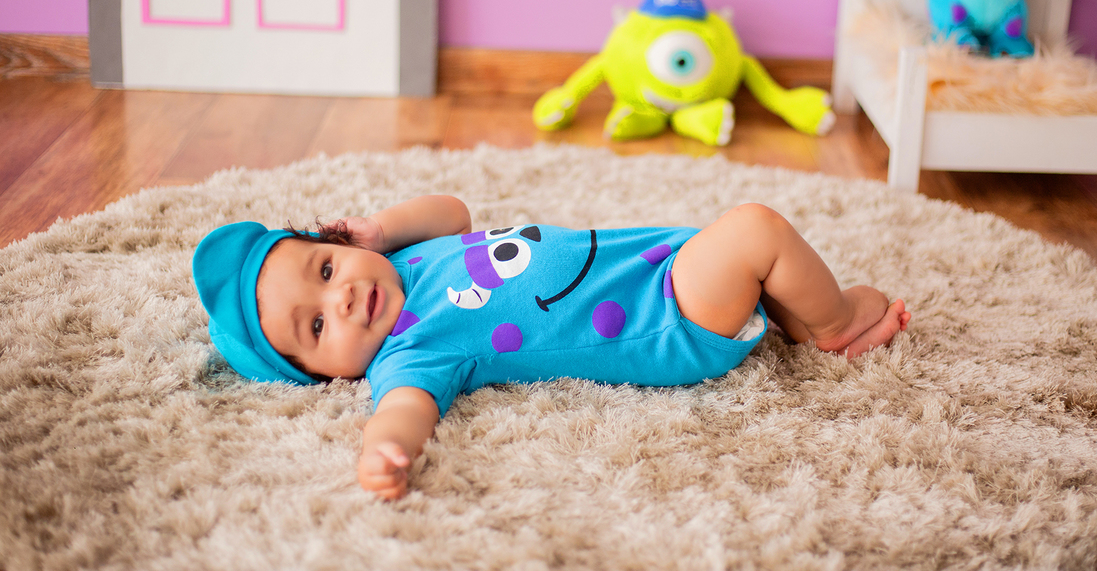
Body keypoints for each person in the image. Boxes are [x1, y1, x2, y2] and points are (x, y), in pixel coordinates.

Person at [192, 196, 909, 501]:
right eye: (315, 329)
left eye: (325, 269)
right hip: (665, 320)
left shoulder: (407, 260)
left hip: (661, 261)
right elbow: (405, 409)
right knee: (756, 229)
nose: (341, 297)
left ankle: (803, 314)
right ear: (319, 376)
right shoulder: (411, 354)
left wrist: (378, 229)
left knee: (764, 260)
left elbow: (455, 212)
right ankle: (836, 325)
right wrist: (385, 448)